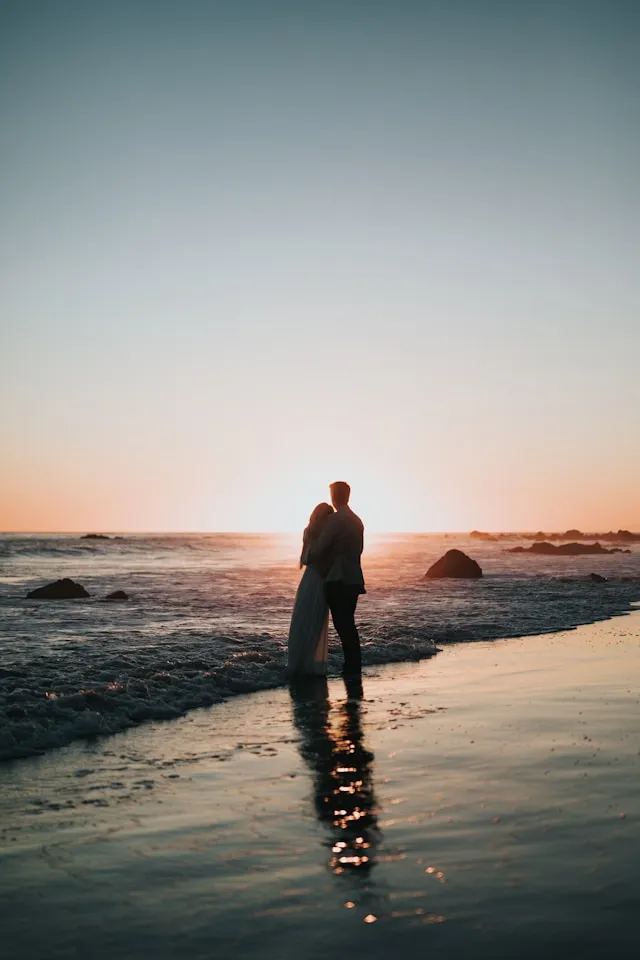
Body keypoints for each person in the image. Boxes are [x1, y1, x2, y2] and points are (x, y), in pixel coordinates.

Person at [308, 481, 365, 676]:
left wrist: (308, 552)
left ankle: (352, 667)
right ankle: (353, 664)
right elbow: (360, 550)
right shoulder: (357, 520)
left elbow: (320, 548)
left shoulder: (336, 520)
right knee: (348, 623)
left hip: (338, 579)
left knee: (343, 625)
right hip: (354, 578)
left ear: (334, 496)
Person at [287, 502, 334, 675]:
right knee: (303, 620)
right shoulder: (310, 532)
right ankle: (299, 662)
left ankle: (307, 662)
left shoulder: (329, 534)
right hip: (313, 579)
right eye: (327, 516)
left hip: (320, 580)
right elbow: (304, 559)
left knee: (315, 622)